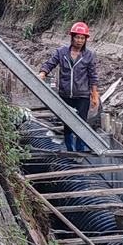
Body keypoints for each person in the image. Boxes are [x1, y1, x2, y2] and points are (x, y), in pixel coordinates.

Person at [37, 22, 100, 152]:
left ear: (86, 39)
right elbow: (50, 63)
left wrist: (94, 95)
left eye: (82, 38)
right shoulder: (61, 52)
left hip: (82, 96)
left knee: (81, 125)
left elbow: (93, 76)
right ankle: (70, 151)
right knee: (67, 124)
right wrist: (43, 73)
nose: (80, 41)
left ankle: (80, 151)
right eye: (77, 37)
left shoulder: (89, 55)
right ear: (72, 37)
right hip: (65, 95)